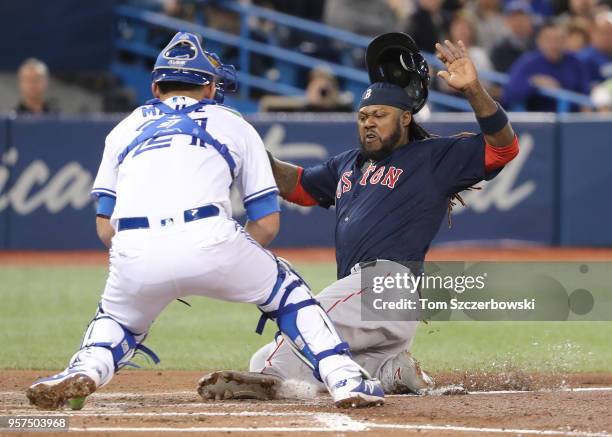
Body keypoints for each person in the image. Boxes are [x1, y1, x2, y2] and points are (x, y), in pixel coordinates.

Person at [25, 32, 384, 411]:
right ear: (210, 86)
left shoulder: (124, 127)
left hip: (133, 245)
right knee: (287, 291)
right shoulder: (232, 122)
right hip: (209, 235)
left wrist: (155, 262)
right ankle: (344, 376)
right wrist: (225, 259)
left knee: (118, 318)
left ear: (155, 86)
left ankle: (86, 367)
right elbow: (267, 224)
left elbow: (104, 228)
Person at [198, 33, 520, 400]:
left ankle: (270, 377)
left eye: (380, 116)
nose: (369, 122)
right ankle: (392, 371)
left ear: (405, 117)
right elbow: (297, 184)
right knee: (308, 358)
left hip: (387, 283)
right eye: (363, 116)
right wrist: (245, 146)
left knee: (299, 326)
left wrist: (474, 89)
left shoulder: (432, 157)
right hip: (371, 307)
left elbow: (504, 147)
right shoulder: (348, 164)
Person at [502, 22, 590, 111]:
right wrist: (534, 82)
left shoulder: (575, 62)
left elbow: (585, 95)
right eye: (549, 40)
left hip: (571, 118)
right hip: (537, 120)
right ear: (539, 42)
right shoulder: (528, 62)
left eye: (558, 40)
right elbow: (508, 94)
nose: (554, 45)